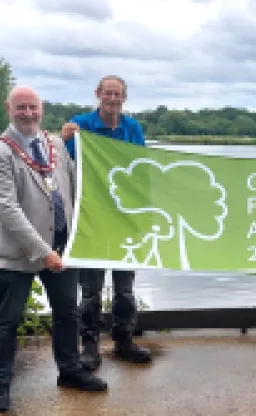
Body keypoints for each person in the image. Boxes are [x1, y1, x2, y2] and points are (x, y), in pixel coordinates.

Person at [0, 86, 107, 412]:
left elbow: (77, 188)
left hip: (62, 248)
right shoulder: (2, 152)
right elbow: (5, 207)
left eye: (33, 107)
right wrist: (41, 250)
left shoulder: (56, 145)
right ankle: (1, 384)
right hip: (18, 255)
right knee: (7, 322)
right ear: (9, 109)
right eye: (21, 108)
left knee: (67, 314)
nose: (28, 114)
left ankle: (70, 370)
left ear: (42, 109)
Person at [61, 75, 151, 371]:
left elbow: (141, 169)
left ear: (124, 98)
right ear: (98, 94)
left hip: (125, 220)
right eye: (107, 93)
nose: (112, 98)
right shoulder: (82, 124)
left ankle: (124, 340)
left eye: (118, 94)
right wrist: (63, 140)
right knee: (91, 290)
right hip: (92, 221)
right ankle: (89, 347)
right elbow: (63, 161)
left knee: (125, 289)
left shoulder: (132, 128)